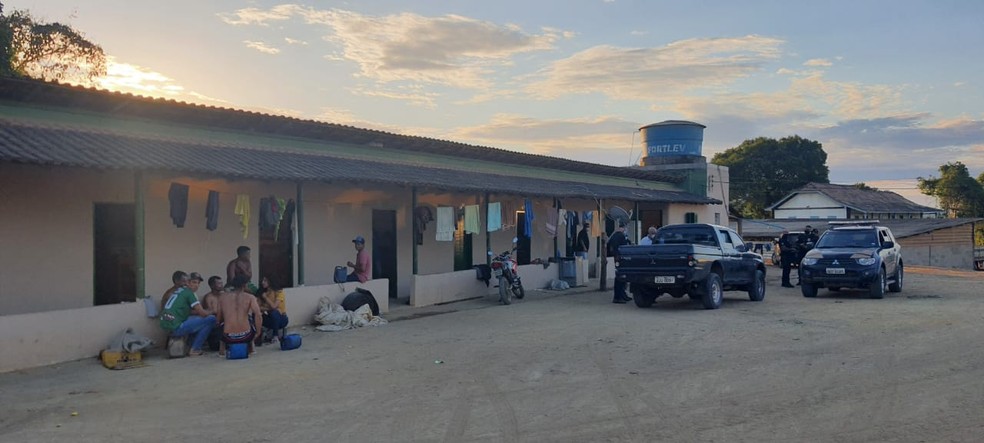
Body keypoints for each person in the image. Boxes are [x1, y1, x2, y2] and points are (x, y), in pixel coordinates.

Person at [159, 271, 216, 356]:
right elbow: (203, 313)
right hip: (176, 327)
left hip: (166, 325)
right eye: (194, 282)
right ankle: (195, 349)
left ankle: (190, 345)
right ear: (187, 283)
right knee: (211, 319)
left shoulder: (179, 291)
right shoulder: (189, 293)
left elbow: (188, 311)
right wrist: (212, 311)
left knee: (200, 321)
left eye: (198, 283)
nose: (196, 285)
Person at [216, 275, 263, 356]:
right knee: (249, 318)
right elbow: (258, 314)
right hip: (246, 336)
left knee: (222, 324)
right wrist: (258, 332)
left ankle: (221, 351)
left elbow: (218, 318)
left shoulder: (222, 297)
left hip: (228, 337)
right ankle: (251, 348)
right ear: (244, 285)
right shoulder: (250, 297)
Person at [257, 276, 289, 344]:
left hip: (281, 319)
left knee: (274, 313)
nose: (263, 282)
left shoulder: (279, 292)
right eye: (262, 281)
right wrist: (269, 309)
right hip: (270, 318)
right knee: (256, 314)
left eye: (265, 281)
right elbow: (258, 307)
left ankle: (275, 336)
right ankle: (257, 336)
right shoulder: (263, 292)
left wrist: (266, 298)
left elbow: (274, 306)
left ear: (270, 282)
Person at [607, 222, 632, 303]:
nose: (626, 230)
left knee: (622, 278)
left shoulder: (615, 236)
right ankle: (618, 297)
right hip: (620, 259)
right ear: (623, 228)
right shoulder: (620, 236)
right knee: (620, 278)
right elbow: (622, 247)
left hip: (618, 259)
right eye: (625, 228)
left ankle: (623, 295)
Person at [202, 276, 225, 352]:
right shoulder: (209, 297)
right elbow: (210, 312)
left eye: (221, 283)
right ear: (212, 285)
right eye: (219, 283)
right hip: (215, 326)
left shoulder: (224, 295)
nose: (221, 285)